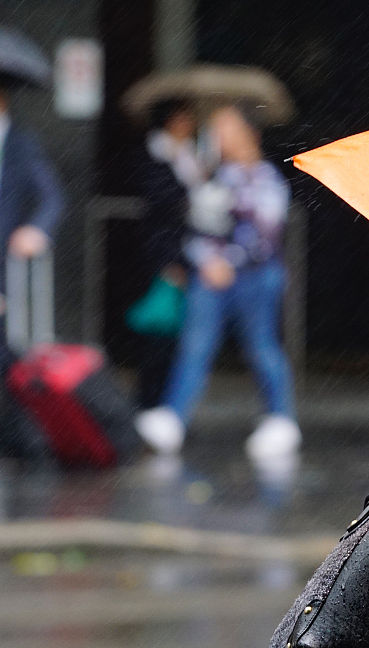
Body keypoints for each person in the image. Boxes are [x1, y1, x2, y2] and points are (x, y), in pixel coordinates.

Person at [135, 103, 300, 459]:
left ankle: (280, 417)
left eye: (227, 129)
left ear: (249, 133)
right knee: (195, 347)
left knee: (262, 346)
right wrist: (207, 259)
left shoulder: (266, 179)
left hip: (257, 277)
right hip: (211, 277)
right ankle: (173, 417)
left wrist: (229, 259)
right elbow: (195, 227)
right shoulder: (213, 176)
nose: (220, 138)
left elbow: (265, 234)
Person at [0, 68, 64, 459]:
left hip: (7, 267)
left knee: (12, 353)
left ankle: (21, 435)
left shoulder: (22, 144)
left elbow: (51, 197)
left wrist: (36, 230)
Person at [129, 98, 203, 408]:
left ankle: (167, 404)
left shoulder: (189, 155)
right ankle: (150, 402)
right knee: (160, 336)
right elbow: (162, 204)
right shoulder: (155, 155)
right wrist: (169, 261)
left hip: (187, 252)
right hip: (166, 255)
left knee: (178, 337)